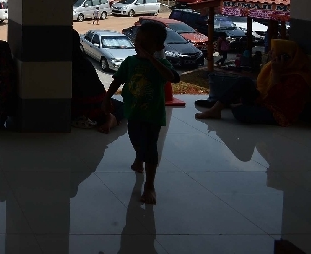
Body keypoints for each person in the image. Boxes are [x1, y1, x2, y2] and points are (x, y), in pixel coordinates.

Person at [102, 21, 180, 204]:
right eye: (138, 42)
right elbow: (117, 81)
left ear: (158, 47)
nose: (140, 47)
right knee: (137, 141)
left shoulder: (162, 64)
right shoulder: (130, 62)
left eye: (146, 44)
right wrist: (106, 99)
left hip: (153, 115)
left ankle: (150, 186)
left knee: (151, 148)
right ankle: (139, 157)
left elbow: (172, 78)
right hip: (134, 112)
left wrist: (151, 58)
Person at [195, 38, 311, 126]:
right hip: (264, 102)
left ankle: (226, 104)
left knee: (239, 112)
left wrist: (276, 73)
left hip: (278, 112)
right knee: (244, 81)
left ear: (285, 57)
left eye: (274, 51)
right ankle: (216, 109)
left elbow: (276, 98)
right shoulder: (276, 68)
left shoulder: (299, 78)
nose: (270, 53)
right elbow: (260, 87)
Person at [71, 30, 123, 133]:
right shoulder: (83, 62)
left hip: (75, 108)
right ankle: (113, 118)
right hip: (97, 107)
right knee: (123, 106)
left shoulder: (61, 64)